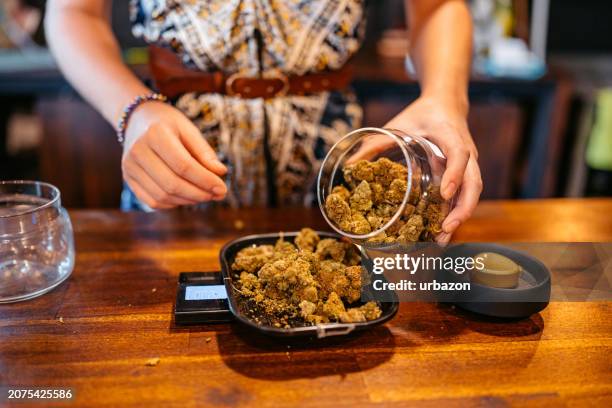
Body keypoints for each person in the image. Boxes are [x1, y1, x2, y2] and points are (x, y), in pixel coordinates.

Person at [45, 0, 481, 243]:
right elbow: (73, 13)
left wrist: (444, 96)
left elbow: (436, 7)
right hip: (173, 174)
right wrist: (132, 109)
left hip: (332, 179)